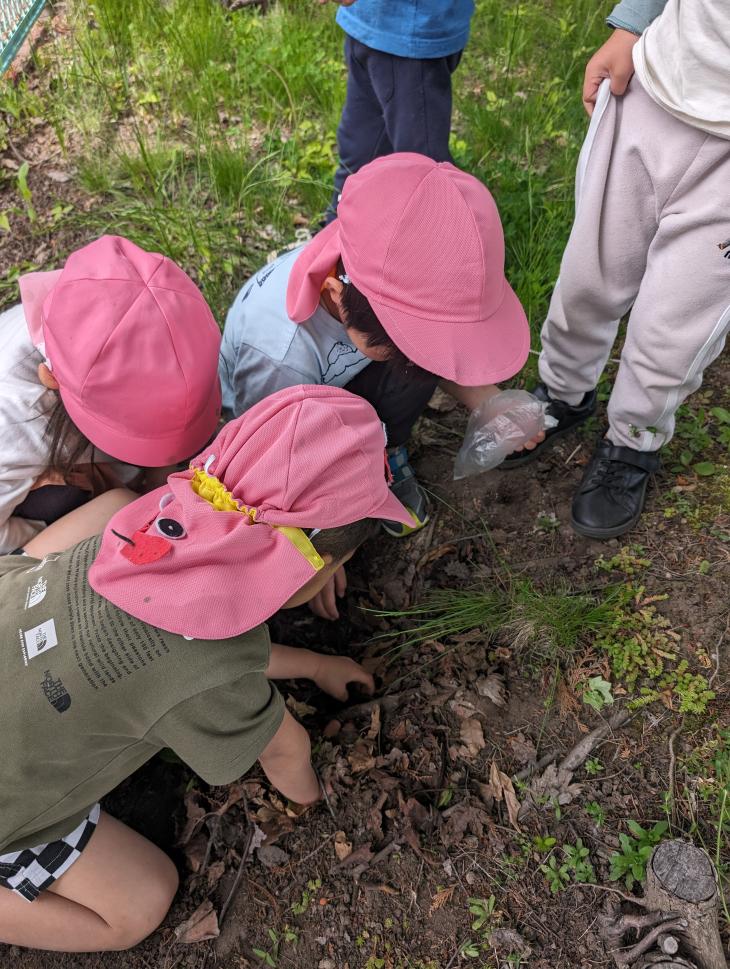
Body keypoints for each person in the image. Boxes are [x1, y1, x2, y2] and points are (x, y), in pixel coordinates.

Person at [0, 384, 413, 953]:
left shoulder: (142, 523)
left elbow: (200, 652)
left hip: (16, 630)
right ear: (315, 566)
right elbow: (283, 750)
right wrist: (319, 805)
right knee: (141, 901)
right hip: (9, 802)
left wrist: (314, 665)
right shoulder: (207, 667)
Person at [502, 0, 730, 539]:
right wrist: (632, 22)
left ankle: (633, 441)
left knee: (676, 327)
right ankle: (563, 390)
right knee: (589, 276)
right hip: (653, 90)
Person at [219, 152, 532, 537]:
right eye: (405, 345)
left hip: (344, 380)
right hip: (287, 422)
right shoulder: (279, 359)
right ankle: (349, 480)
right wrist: (311, 536)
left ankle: (385, 451)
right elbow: (268, 458)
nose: (421, 360)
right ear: (335, 296)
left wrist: (486, 399)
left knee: (409, 361)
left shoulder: (367, 254)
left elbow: (431, 350)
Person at [0, 234, 222, 555]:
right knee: (119, 506)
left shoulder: (102, 304)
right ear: (50, 379)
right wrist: (45, 530)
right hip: (16, 535)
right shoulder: (14, 422)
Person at [319, 0, 475, 222]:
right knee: (360, 149)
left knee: (422, 169)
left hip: (410, 39)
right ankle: (335, 239)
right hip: (367, 25)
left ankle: (436, 246)